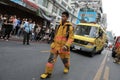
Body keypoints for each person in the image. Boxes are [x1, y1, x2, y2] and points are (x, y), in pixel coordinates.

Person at [40, 11, 74, 79]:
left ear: (67, 17)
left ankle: (67, 67)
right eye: (62, 16)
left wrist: (66, 45)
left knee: (65, 61)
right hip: (55, 47)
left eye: (64, 16)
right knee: (51, 60)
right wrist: (53, 42)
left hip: (64, 48)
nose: (62, 17)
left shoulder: (70, 27)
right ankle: (47, 73)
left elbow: (71, 38)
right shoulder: (59, 26)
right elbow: (56, 36)